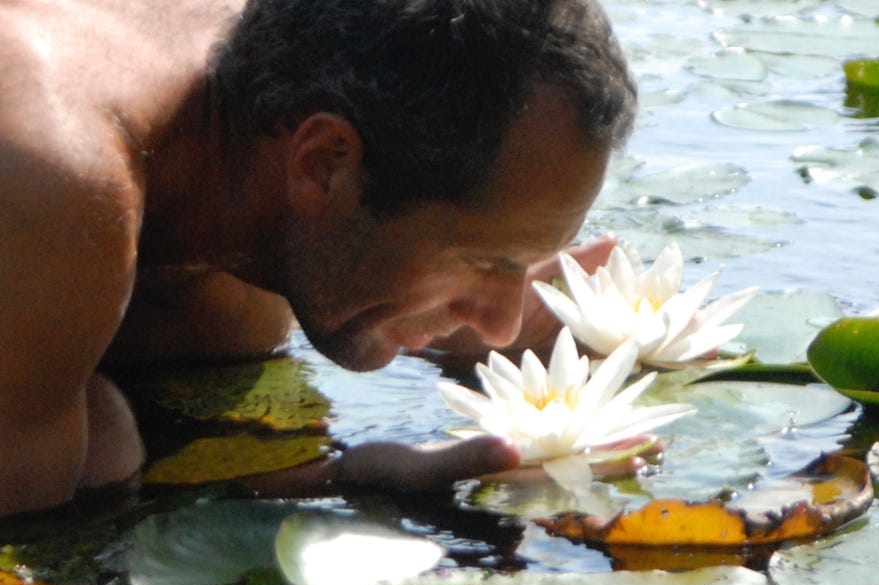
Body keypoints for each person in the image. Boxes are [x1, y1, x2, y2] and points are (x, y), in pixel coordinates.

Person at [0, 0, 638, 518]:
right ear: (324, 164)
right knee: (103, 448)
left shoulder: (261, 111)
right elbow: (32, 571)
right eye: (483, 257)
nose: (501, 324)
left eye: (523, 265)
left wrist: (346, 470)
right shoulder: (50, 178)